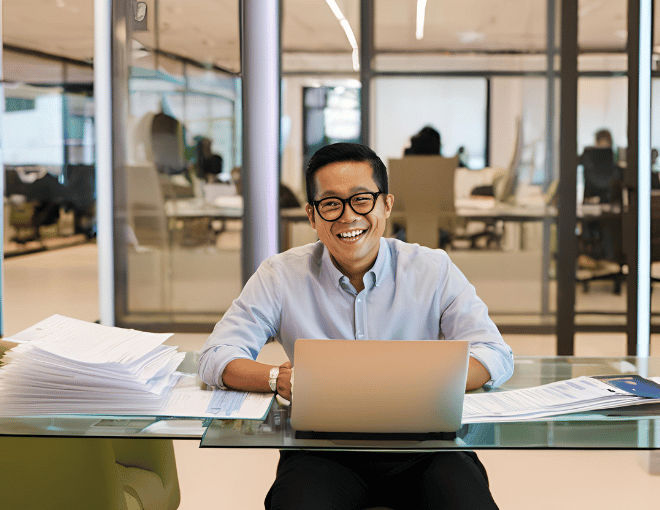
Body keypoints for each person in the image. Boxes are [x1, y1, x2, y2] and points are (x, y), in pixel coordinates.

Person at [198, 143, 513, 509]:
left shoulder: (433, 269)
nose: (348, 217)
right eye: (331, 204)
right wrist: (277, 379)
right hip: (321, 452)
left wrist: (426, 385)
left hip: (428, 448)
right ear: (312, 216)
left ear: (386, 205)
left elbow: (495, 354)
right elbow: (216, 356)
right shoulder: (280, 275)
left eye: (362, 199)